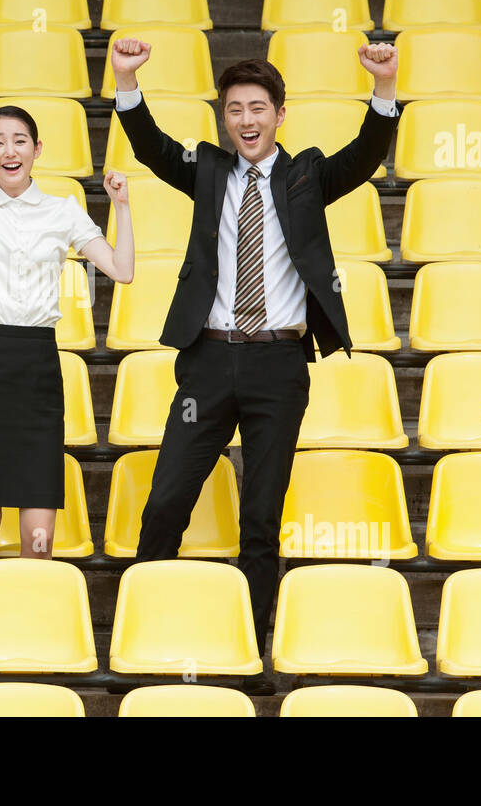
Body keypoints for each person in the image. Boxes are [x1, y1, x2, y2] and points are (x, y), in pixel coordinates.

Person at [108, 36, 400, 666]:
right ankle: (141, 632)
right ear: (225, 117)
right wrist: (126, 81)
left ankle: (252, 647)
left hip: (278, 366)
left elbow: (366, 154)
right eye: (235, 108)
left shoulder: (307, 176)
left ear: (279, 114)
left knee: (262, 516)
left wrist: (383, 88)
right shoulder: (210, 171)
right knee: (165, 502)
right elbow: (154, 150)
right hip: (209, 362)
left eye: (258, 108)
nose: (246, 119)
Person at [0, 104, 135, 563]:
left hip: (37, 366)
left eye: (20, 141)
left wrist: (122, 206)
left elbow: (122, 269)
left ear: (37, 150)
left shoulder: (63, 211)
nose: (9, 151)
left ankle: (31, 628)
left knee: (39, 536)